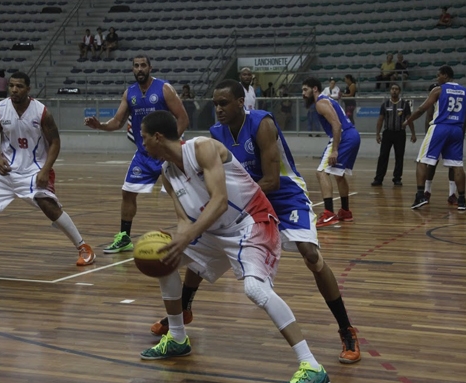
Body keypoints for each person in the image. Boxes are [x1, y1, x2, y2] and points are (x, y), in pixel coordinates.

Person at [149, 79, 361, 364]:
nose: (218, 109)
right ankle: (184, 307)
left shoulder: (262, 123)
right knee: (203, 232)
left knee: (310, 254)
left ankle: (345, 327)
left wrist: (220, 206)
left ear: (240, 103)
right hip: (245, 199)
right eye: (214, 104)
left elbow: (271, 180)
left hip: (282, 192)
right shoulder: (215, 133)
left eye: (224, 103)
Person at [138, 110, 331, 383]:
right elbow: (182, 217)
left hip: (251, 223)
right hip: (214, 232)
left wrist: (188, 235)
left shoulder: (202, 148)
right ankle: (177, 338)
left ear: (157, 137)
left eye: (143, 138)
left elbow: (219, 200)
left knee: (255, 289)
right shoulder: (167, 173)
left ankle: (312, 366)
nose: (142, 145)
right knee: (166, 259)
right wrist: (179, 238)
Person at [0, 72, 96, 268]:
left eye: (19, 86)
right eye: (11, 86)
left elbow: (55, 142)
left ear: (28, 89)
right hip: (6, 169)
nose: (14, 90)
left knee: (48, 205)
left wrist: (46, 169)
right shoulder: (0, 109)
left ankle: (83, 247)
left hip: (34, 169)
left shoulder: (41, 112)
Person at [84, 55, 188, 253]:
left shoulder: (164, 89)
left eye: (143, 65)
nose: (139, 69)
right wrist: (100, 126)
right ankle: (124, 238)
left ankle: (192, 234)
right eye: (136, 66)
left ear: (150, 67)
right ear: (133, 69)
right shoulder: (129, 93)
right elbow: (117, 121)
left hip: (168, 153)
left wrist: (172, 144)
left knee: (181, 195)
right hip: (144, 153)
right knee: (128, 193)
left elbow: (183, 118)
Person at [402, 65, 466, 211]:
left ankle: (421, 195)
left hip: (440, 127)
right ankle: (462, 200)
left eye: (438, 75)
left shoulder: (439, 90)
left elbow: (422, 109)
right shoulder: (464, 91)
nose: (437, 78)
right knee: (457, 165)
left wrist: (408, 121)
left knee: (421, 160)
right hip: (457, 130)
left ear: (446, 76)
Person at [301, 77, 361, 227]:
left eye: (305, 90)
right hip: (353, 135)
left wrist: (334, 150)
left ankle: (329, 214)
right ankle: (345, 211)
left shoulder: (321, 103)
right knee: (338, 174)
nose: (303, 93)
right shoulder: (326, 101)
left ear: (314, 89)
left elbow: (336, 124)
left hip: (344, 136)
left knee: (321, 172)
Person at [371, 84, 416, 187]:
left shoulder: (404, 105)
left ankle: (397, 178)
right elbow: (380, 119)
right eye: (392, 89)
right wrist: (377, 134)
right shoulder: (385, 104)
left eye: (396, 89)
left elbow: (409, 119)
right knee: (383, 156)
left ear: (399, 91)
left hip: (400, 134)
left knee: (399, 156)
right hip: (387, 133)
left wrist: (413, 133)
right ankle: (378, 178)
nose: (394, 91)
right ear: (390, 91)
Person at [423, 83, 458, 205]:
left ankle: (452, 193)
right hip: (436, 134)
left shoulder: (447, 103)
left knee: (452, 165)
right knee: (431, 163)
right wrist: (428, 135)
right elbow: (428, 118)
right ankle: (427, 191)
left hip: (448, 133)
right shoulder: (431, 104)